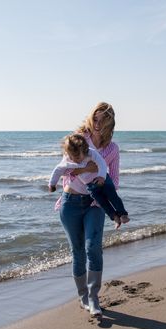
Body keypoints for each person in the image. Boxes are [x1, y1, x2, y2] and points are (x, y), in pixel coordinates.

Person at [55, 101, 122, 317]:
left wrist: (107, 202)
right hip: (70, 202)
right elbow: (64, 171)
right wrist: (86, 168)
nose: (98, 122)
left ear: (111, 122)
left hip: (94, 204)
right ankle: (83, 296)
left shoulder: (112, 149)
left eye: (104, 119)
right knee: (77, 251)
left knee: (93, 247)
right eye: (95, 117)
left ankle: (94, 298)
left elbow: (115, 179)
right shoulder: (77, 140)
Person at [49, 133, 130, 229]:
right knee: (102, 202)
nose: (74, 160)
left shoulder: (91, 153)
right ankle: (114, 217)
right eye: (71, 157)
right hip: (90, 185)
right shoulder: (68, 159)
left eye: (77, 158)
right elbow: (57, 170)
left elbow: (102, 163)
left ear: (85, 151)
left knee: (112, 196)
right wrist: (52, 184)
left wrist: (101, 177)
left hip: (103, 179)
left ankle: (123, 214)